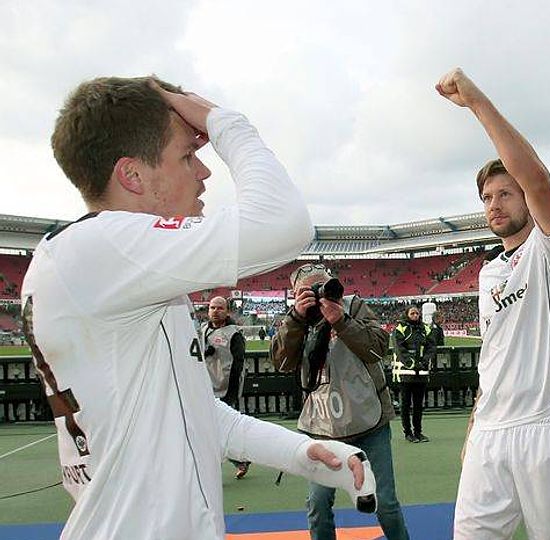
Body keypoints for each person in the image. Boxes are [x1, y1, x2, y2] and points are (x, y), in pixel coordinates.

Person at [21, 77, 369, 539]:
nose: (204, 172)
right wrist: (224, 121)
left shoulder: (112, 269)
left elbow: (193, 413)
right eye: (187, 156)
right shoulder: (97, 248)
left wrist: (300, 452)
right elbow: (283, 224)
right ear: (132, 175)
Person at [438, 68, 550, 540]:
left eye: (506, 193)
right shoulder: (488, 273)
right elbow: (495, 355)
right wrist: (475, 425)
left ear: (525, 197)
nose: (494, 204)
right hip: (490, 435)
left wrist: (477, 103)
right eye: (487, 197)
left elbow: (540, 181)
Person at [271, 264, 409, 540]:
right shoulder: (296, 320)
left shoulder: (352, 307)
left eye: (324, 286)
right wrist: (296, 319)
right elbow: (282, 363)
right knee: (318, 505)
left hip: (368, 422)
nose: (319, 294)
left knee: (385, 503)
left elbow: (378, 349)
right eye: (309, 291)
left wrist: (341, 321)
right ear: (296, 295)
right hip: (323, 428)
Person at [201, 296, 251, 479]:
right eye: (212, 307)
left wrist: (232, 392)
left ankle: (238, 459)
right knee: (210, 428)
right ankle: (236, 460)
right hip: (206, 387)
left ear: (227, 311)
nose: (215, 311)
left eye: (220, 308)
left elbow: (238, 363)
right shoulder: (203, 329)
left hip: (226, 387)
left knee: (223, 428)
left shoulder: (234, 333)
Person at [392, 306, 435, 443]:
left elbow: (431, 347)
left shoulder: (425, 329)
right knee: (405, 405)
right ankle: (408, 433)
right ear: (407, 314)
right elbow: (399, 349)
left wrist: (424, 361)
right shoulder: (400, 328)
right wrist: (411, 363)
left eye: (417, 313)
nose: (415, 315)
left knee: (418, 405)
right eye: (412, 313)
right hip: (405, 374)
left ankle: (418, 432)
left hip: (421, 374)